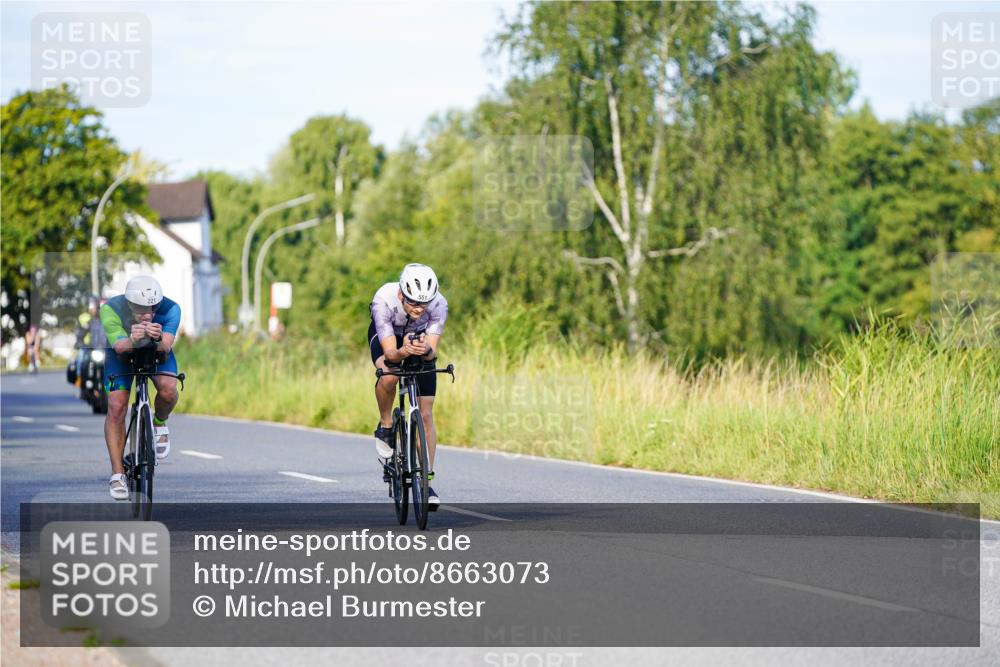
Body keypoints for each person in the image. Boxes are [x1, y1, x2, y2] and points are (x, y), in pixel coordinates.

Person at [369, 263, 448, 509]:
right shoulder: (383, 300)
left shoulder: (439, 304)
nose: (418, 308)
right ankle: (385, 425)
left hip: (419, 340)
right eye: (413, 302)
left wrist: (424, 349)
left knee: (425, 415)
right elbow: (391, 353)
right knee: (389, 374)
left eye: (423, 304)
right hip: (390, 337)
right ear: (402, 294)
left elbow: (431, 350)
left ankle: (427, 481)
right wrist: (403, 351)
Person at [99, 276, 181, 500]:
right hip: (122, 354)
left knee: (168, 389)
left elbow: (165, 348)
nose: (148, 314)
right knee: (116, 406)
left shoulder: (171, 308)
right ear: (128, 304)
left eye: (152, 308)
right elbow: (119, 347)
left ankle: (160, 424)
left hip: (155, 351)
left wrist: (156, 339)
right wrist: (133, 340)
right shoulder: (111, 309)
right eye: (141, 309)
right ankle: (117, 474)